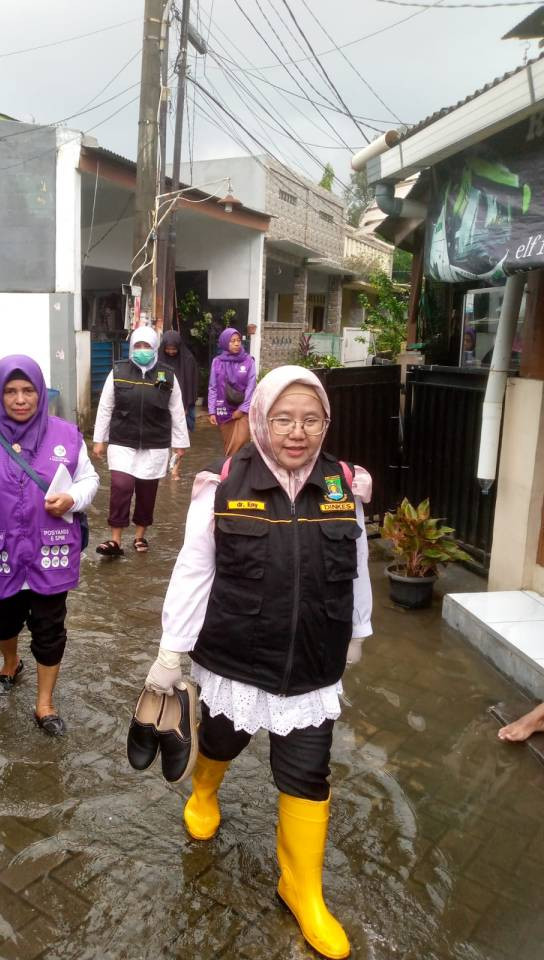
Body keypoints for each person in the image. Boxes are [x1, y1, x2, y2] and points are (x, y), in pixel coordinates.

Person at [144, 365, 373, 959]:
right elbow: (194, 572)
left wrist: (356, 634)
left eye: (311, 419)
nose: (298, 432)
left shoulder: (341, 485)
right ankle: (203, 793)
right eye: (284, 419)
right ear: (263, 420)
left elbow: (358, 566)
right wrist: (171, 652)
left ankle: (302, 888)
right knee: (220, 742)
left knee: (308, 772)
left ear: (325, 422)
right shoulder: (223, 484)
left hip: (311, 668)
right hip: (234, 660)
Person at [0, 355, 99, 736]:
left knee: (50, 630)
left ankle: (44, 703)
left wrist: (73, 499)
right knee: (2, 621)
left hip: (51, 553)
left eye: (28, 390)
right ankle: (11, 662)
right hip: (2, 554)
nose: (20, 399)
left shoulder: (66, 435)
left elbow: (89, 480)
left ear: (40, 392)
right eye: (10, 391)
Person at [92, 325, 189, 556]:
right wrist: (99, 440)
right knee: (120, 486)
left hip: (155, 443)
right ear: (131, 347)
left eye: (147, 346)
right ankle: (115, 540)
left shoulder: (167, 375)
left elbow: (176, 410)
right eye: (138, 346)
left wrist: (180, 444)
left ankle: (139, 536)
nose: (142, 350)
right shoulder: (118, 371)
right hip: (122, 440)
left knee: (147, 492)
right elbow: (106, 407)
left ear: (155, 348)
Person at [208, 327, 256, 456]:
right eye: (232, 341)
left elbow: (252, 387)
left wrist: (242, 410)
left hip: (243, 411)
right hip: (223, 410)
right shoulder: (217, 362)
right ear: (224, 342)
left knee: (240, 444)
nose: (236, 343)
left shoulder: (249, 361)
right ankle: (230, 473)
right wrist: (212, 411)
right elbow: (213, 387)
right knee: (229, 445)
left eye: (238, 340)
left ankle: (233, 472)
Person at [159, 330, 199, 432]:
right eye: (168, 349)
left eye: (174, 349)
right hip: (164, 401)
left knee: (183, 434)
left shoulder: (188, 359)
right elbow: (159, 380)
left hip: (185, 401)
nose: (171, 351)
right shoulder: (159, 358)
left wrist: (184, 406)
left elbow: (190, 385)